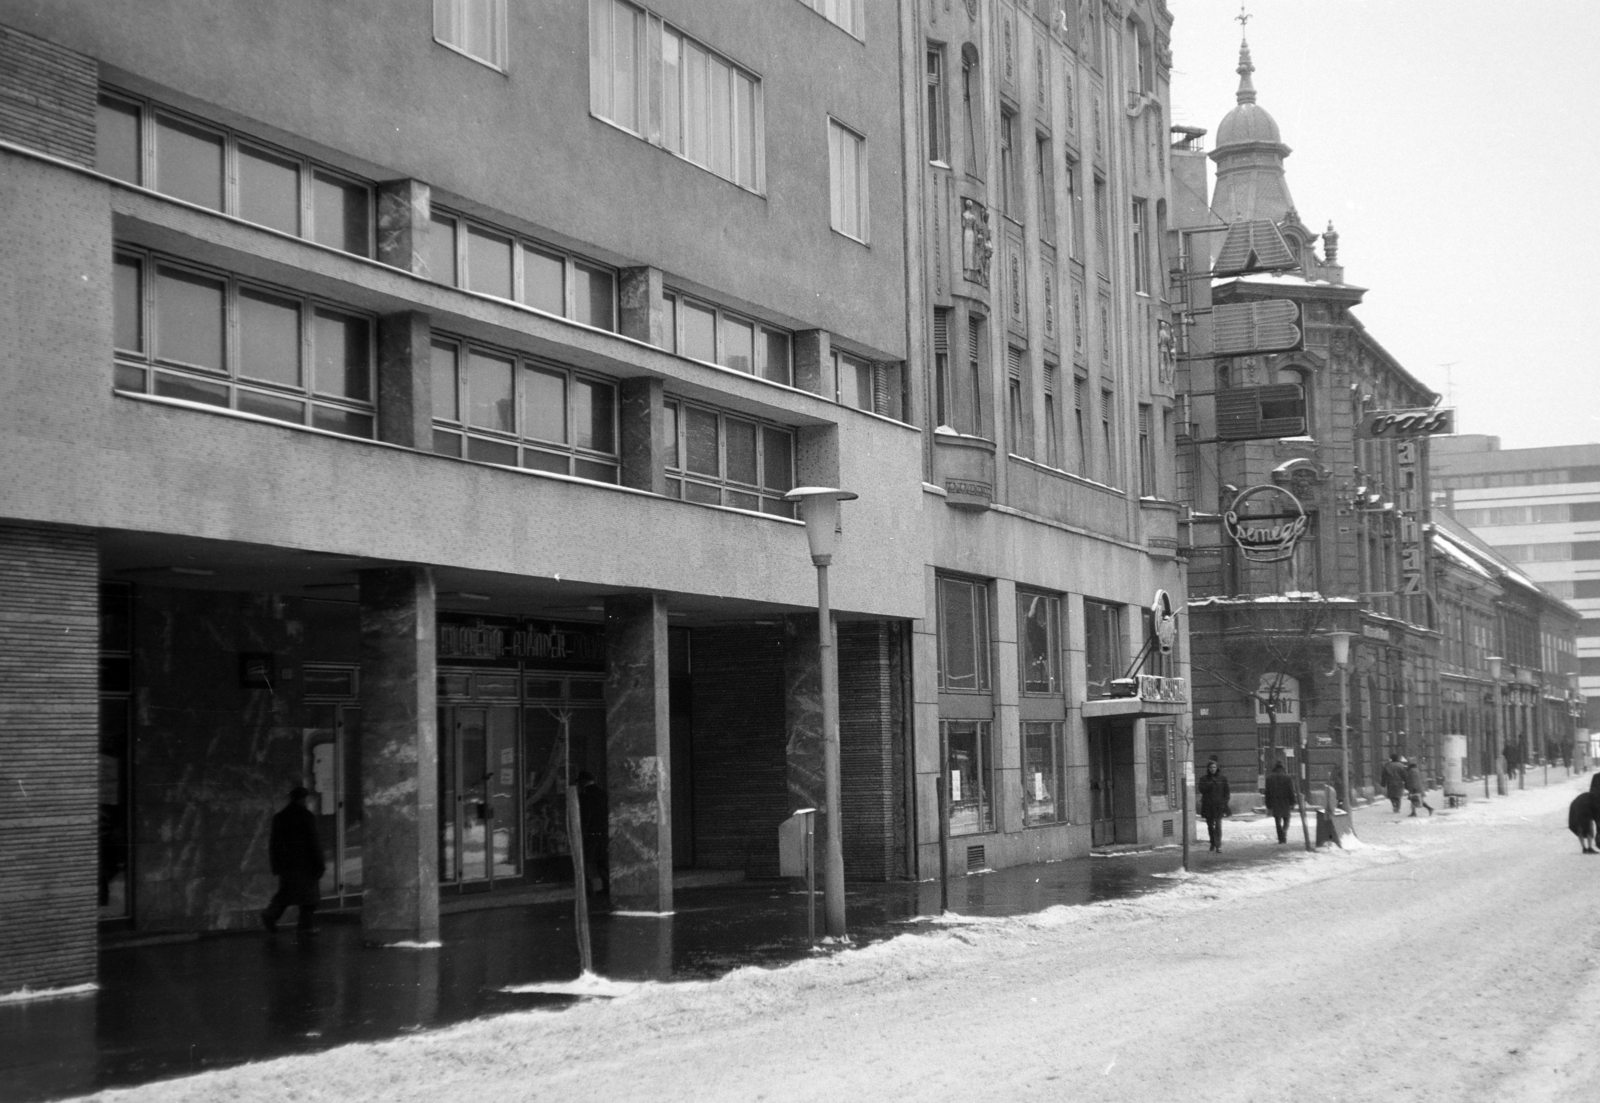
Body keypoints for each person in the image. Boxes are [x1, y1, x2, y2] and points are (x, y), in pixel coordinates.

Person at [261, 786, 325, 935]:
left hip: (287, 866)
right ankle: (305, 927)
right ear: (302, 799)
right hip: (306, 866)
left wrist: (276, 866)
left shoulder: (280, 817)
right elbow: (314, 842)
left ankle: (270, 915)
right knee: (309, 901)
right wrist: (320, 864)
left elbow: (274, 844)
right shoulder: (306, 816)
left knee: (285, 895)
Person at [575, 771, 609, 894]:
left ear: (583, 782)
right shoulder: (603, 794)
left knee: (586, 862)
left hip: (590, 834)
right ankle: (607, 886)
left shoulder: (585, 795)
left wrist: (581, 834)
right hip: (604, 833)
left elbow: (585, 817)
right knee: (603, 861)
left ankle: (588, 890)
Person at [1197, 757, 1231, 853]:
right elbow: (1201, 789)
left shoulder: (1222, 779)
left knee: (1218, 825)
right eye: (1211, 767)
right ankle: (1212, 842)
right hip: (1208, 806)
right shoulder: (1203, 779)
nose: (1213, 769)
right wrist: (1210, 784)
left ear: (1217, 768)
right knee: (1210, 826)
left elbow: (1227, 792)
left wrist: (1224, 803)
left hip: (1219, 806)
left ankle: (1218, 845)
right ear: (1208, 768)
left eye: (1214, 767)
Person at [1264, 761, 1297, 844]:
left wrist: (1268, 803)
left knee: (1277, 820)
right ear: (1283, 768)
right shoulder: (1288, 777)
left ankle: (1281, 838)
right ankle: (1284, 833)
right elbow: (1291, 791)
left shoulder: (1269, 778)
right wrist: (1293, 802)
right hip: (1285, 801)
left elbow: (1267, 792)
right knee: (1287, 819)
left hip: (1275, 801)